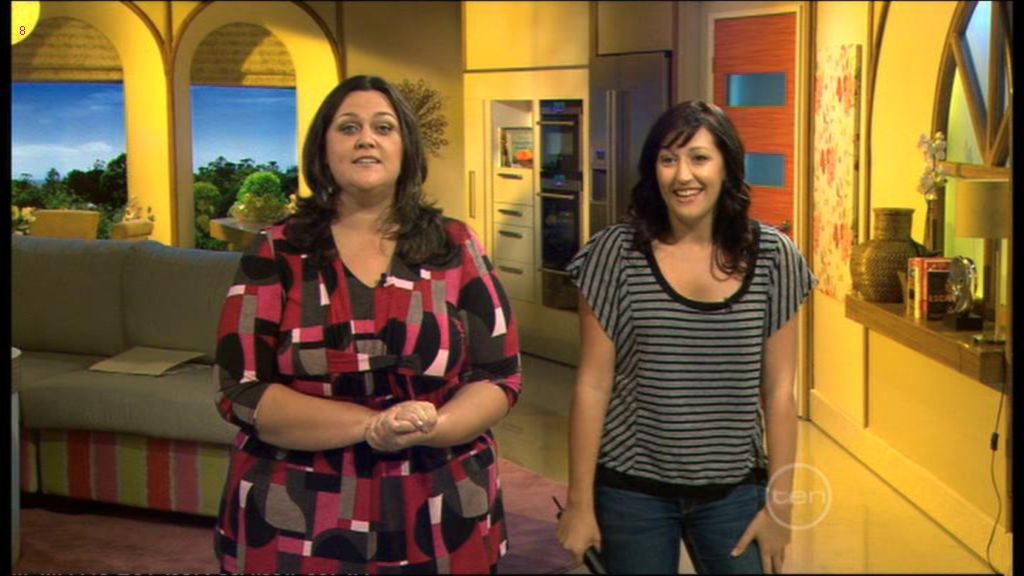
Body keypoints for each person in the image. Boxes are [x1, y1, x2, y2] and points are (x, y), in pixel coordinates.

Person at [213, 75, 522, 574]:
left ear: (406, 148)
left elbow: (500, 374)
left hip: (440, 505)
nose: (366, 140)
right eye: (348, 128)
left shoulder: (456, 245)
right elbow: (239, 388)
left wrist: (434, 427)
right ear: (323, 148)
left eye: (383, 127)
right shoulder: (276, 249)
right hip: (297, 512)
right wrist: (370, 427)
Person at [556, 100, 816, 575]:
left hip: (733, 491)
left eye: (699, 158)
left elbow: (780, 392)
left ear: (726, 166)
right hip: (631, 490)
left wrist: (780, 507)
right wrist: (579, 502)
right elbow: (592, 384)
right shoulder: (615, 254)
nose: (683, 176)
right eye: (668, 159)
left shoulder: (774, 258)